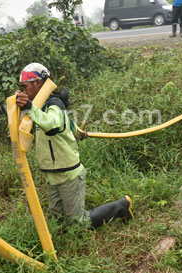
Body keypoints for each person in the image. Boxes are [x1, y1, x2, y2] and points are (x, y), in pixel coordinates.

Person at [15, 63, 133, 228]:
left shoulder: (53, 105)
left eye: (25, 86)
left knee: (78, 222)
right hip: (53, 174)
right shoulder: (37, 108)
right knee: (59, 220)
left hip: (68, 174)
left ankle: (120, 207)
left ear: (38, 83)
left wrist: (29, 107)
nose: (22, 90)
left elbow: (52, 125)